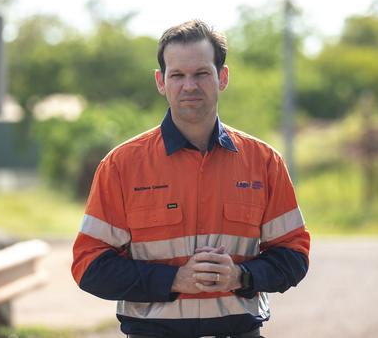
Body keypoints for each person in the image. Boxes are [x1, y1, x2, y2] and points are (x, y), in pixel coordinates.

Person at [71, 20, 310, 338]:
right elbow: (89, 266)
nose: (190, 86)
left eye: (201, 73)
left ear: (222, 77)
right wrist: (174, 280)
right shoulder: (121, 165)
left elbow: (294, 254)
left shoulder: (264, 162)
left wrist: (241, 276)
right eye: (178, 75)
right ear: (161, 81)